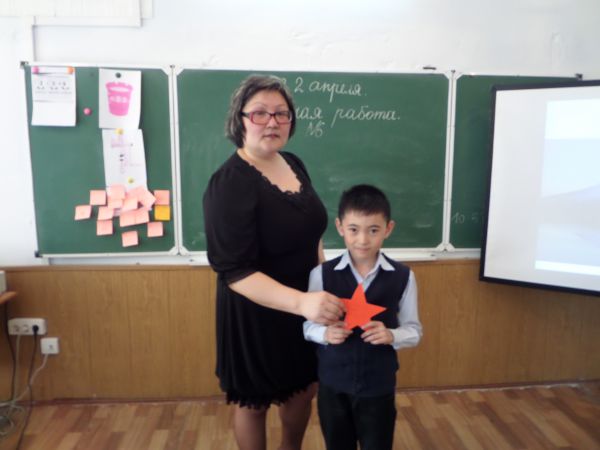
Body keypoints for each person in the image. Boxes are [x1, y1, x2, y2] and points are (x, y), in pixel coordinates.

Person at [202, 74, 345, 450]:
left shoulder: (294, 163)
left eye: (282, 113)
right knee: (254, 402)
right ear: (240, 119)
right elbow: (234, 271)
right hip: (255, 311)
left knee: (304, 388)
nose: (272, 122)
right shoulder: (228, 183)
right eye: (260, 113)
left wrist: (322, 283)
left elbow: (311, 233)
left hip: (306, 303)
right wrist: (302, 303)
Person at [303, 184, 423, 450]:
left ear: (388, 229)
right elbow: (308, 326)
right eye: (354, 229)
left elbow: (414, 331)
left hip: (378, 386)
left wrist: (391, 335)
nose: (363, 240)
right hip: (333, 385)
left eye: (374, 230)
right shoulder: (322, 274)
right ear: (340, 227)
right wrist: (325, 333)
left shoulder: (403, 276)